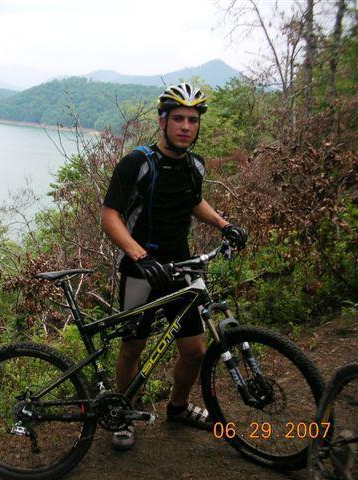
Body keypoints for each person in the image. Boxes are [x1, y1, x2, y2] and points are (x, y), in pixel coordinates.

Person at [101, 83, 247, 451]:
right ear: (163, 121)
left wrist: (224, 225)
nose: (185, 126)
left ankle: (178, 409)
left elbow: (195, 201)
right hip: (141, 271)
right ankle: (126, 412)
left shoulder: (194, 165)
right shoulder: (138, 162)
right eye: (178, 118)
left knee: (195, 350)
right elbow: (110, 216)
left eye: (192, 120)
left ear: (198, 125)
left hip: (182, 269)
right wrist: (139, 256)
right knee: (132, 347)